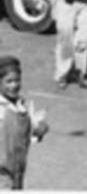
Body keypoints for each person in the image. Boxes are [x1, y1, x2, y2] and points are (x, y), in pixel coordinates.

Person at [0, 56, 49, 189]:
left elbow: (32, 131)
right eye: (8, 81)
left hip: (18, 170)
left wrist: (40, 129)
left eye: (17, 80)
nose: (14, 85)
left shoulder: (23, 104)